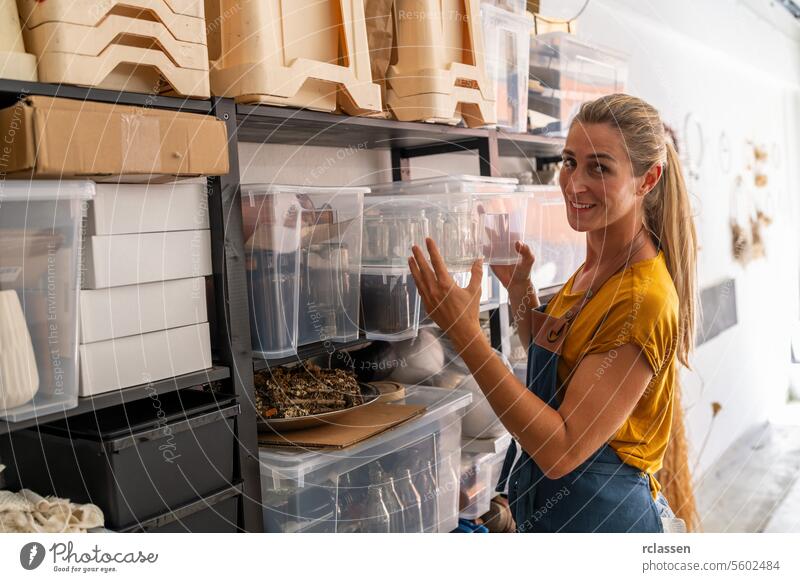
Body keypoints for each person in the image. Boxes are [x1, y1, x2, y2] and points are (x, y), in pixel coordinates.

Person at [407, 94, 697, 533]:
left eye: (599, 167)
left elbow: (562, 449)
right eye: (569, 161)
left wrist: (466, 336)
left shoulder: (644, 301)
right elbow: (563, 367)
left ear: (647, 179)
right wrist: (520, 291)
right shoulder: (596, 267)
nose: (574, 183)